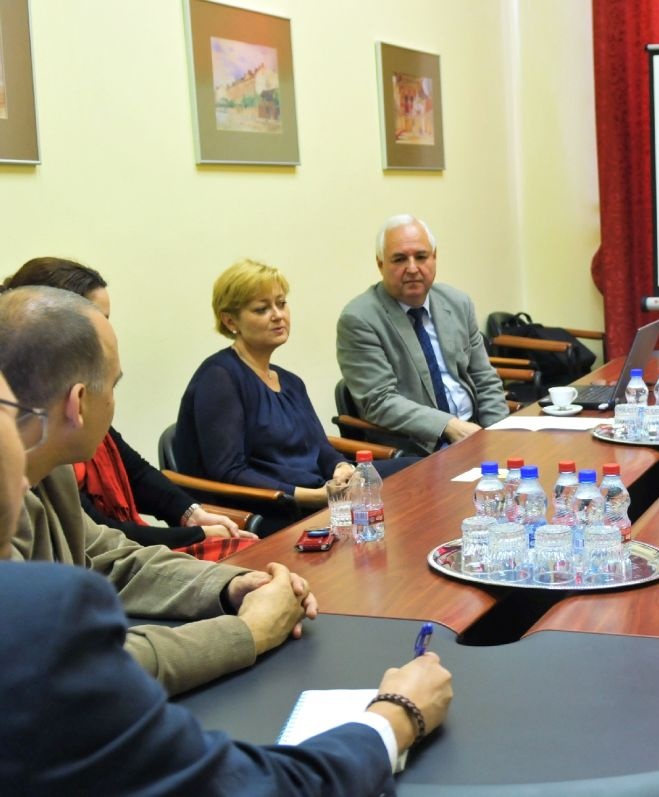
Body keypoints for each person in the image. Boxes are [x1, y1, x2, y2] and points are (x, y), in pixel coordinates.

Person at [0, 368, 454, 794]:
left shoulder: (51, 477)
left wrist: (232, 585)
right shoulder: (33, 620)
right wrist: (396, 717)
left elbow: (112, 557)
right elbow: (253, 785)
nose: (24, 470)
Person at [0, 285, 315, 696]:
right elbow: (70, 667)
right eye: (113, 385)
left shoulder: (49, 467)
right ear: (79, 403)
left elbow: (113, 561)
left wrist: (233, 586)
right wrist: (248, 632)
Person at [3, 256, 258, 557]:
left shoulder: (57, 439)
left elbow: (132, 477)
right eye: (96, 321)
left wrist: (192, 514)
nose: (108, 334)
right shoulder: (46, 461)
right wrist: (196, 535)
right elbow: (100, 556)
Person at [175, 260, 415, 534]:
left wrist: (340, 467)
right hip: (270, 508)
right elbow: (229, 472)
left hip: (319, 488)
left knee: (416, 469)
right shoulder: (219, 378)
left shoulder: (290, 381)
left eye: (281, 303)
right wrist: (309, 496)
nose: (278, 315)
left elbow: (319, 446)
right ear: (230, 321)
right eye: (262, 309)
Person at [337, 214, 509, 455]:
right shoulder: (359, 319)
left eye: (421, 256)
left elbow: (484, 377)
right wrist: (449, 426)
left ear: (434, 257)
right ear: (380, 264)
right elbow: (380, 402)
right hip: (416, 448)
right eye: (399, 259)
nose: (412, 268)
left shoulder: (457, 303)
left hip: (475, 434)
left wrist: (499, 434)